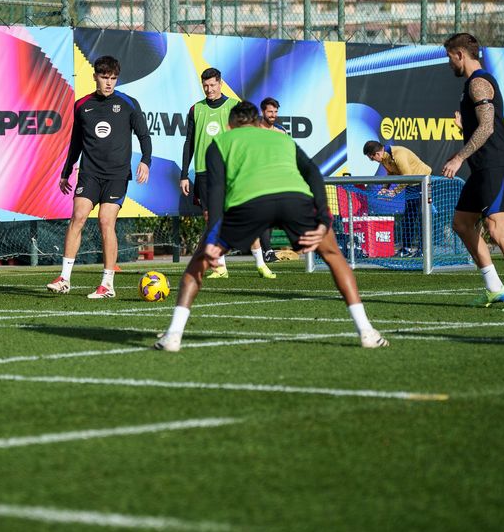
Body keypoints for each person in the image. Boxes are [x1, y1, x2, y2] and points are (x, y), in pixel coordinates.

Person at [153, 101, 388, 352]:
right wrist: (324, 220)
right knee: (333, 256)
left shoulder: (219, 143)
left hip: (249, 205)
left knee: (196, 266)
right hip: (295, 200)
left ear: (229, 125)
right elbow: (313, 174)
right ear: (257, 123)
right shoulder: (283, 139)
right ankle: (366, 331)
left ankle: (174, 335)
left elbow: (217, 194)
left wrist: (212, 240)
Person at [440, 32, 504, 312]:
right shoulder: (471, 86)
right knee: (462, 223)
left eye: (449, 57)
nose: (449, 64)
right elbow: (483, 126)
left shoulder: (479, 84)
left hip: (495, 165)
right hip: (483, 167)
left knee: (496, 228)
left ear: (460, 54)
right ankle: (495, 288)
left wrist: (459, 157)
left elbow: (487, 127)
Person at [46, 56, 152, 298]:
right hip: (90, 173)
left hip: (116, 175)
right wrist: (66, 171)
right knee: (78, 216)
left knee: (106, 221)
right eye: (105, 78)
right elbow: (76, 142)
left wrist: (146, 161)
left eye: (113, 79)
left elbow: (144, 136)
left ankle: (107, 284)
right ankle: (64, 278)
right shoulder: (82, 104)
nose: (109, 83)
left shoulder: (129, 103)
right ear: (95, 76)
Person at [179, 69, 274, 279]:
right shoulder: (196, 109)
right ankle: (220, 267)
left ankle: (260, 263)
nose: (209, 89)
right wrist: (184, 174)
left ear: (220, 83)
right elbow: (189, 143)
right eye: (205, 85)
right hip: (204, 172)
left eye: (213, 85)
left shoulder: (234, 106)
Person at [362, 140, 431, 258]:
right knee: (408, 218)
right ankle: (407, 248)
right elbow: (391, 173)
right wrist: (385, 188)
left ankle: (424, 249)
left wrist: (394, 192)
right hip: (411, 185)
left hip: (423, 183)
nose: (372, 161)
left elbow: (407, 176)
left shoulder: (398, 154)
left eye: (372, 158)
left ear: (377, 154)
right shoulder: (384, 157)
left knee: (422, 217)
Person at [256, 97, 289, 265]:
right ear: (263, 111)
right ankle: (267, 250)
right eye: (270, 111)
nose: (273, 115)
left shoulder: (281, 132)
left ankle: (266, 250)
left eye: (275, 112)